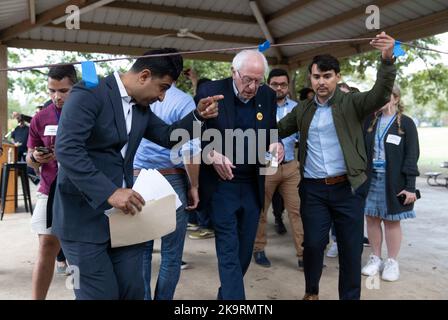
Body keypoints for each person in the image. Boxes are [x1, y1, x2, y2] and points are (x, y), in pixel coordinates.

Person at [52, 48, 221, 300]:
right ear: (144, 76)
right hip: (82, 219)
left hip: (124, 218)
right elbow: (67, 150)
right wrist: (110, 192)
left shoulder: (140, 108)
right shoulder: (89, 93)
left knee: (133, 291)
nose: (162, 97)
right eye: (162, 87)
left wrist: (198, 116)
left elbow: (168, 137)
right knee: (99, 295)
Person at [277, 31, 396, 300]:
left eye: (327, 76)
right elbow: (277, 129)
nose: (322, 82)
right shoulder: (303, 110)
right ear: (311, 78)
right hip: (313, 191)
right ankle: (311, 292)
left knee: (351, 249)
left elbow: (380, 93)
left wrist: (387, 59)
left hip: (347, 189)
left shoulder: (352, 103)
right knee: (314, 245)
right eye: (317, 76)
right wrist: (272, 140)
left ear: (337, 77)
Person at [194, 49, 284, 300]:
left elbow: (272, 132)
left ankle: (226, 297)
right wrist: (211, 154)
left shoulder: (266, 95)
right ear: (233, 73)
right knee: (228, 249)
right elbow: (192, 137)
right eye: (247, 79)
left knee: (244, 253)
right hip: (223, 184)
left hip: (253, 184)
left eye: (258, 80)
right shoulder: (210, 93)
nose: (253, 86)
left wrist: (278, 146)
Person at [133, 83, 201, 300]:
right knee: (171, 254)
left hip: (138, 178)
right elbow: (190, 150)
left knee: (141, 251)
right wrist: (194, 186)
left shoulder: (136, 98)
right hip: (172, 178)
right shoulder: (184, 101)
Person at [361, 85, 419, 282]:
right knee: (372, 218)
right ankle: (375, 258)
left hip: (394, 180)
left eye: (387, 96)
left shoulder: (407, 124)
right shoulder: (370, 121)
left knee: (392, 221)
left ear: (396, 98)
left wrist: (410, 186)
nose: (383, 100)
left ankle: (392, 262)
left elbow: (412, 156)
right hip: (371, 178)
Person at [27, 65, 74, 299]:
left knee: (82, 250)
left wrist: (65, 154)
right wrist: (35, 158)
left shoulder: (88, 113)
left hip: (81, 191)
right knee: (46, 247)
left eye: (63, 90)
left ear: (75, 88)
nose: (57, 96)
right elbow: (29, 158)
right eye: (52, 91)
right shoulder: (40, 117)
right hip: (49, 188)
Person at [253, 68, 304, 270]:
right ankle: (258, 249)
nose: (279, 88)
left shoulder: (297, 108)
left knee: (298, 211)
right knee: (261, 211)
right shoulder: (259, 106)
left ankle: (303, 254)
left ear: (288, 85)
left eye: (283, 84)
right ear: (268, 84)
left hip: (291, 165)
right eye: (275, 84)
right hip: (267, 163)